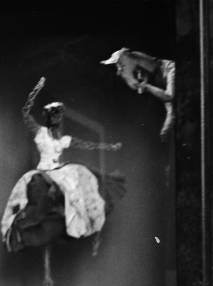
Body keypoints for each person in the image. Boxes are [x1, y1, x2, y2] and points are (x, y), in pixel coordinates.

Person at [1, 77, 124, 253]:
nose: (56, 119)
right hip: (44, 170)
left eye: (58, 116)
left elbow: (87, 144)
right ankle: (18, 226)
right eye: (53, 116)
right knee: (62, 188)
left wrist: (109, 147)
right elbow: (25, 112)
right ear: (48, 118)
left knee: (80, 179)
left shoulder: (63, 139)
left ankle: (75, 220)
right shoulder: (40, 132)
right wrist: (37, 89)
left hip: (59, 170)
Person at [101, 48, 175, 139]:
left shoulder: (170, 69)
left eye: (120, 65)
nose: (119, 70)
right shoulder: (145, 74)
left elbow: (169, 97)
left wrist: (146, 86)